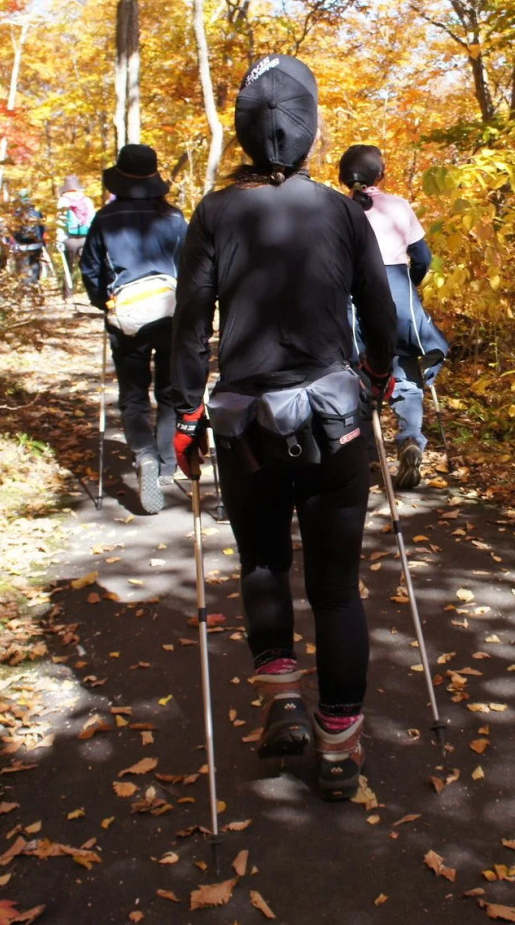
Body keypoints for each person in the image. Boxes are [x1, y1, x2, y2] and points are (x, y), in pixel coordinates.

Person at [169, 54, 397, 801]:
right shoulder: (340, 209)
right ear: (310, 127)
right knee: (336, 590)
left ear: (243, 129)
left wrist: (184, 412)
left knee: (264, 564)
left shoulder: (213, 212)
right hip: (336, 423)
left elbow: (191, 322)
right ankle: (339, 751)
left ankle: (284, 705)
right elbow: (381, 311)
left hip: (247, 428)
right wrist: (377, 377)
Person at [79, 144, 188, 514]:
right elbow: (192, 266)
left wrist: (103, 303)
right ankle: (167, 464)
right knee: (171, 392)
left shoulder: (105, 219)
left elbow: (91, 269)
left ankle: (144, 455)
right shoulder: (174, 218)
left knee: (133, 394)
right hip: (172, 313)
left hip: (127, 316)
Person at [340, 145, 449, 490]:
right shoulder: (399, 207)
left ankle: (367, 455)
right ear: (381, 175)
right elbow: (422, 257)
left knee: (358, 377)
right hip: (398, 297)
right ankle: (410, 440)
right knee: (406, 372)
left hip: (354, 299)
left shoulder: (339, 210)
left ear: (343, 178)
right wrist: (409, 285)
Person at [57, 174, 96, 290]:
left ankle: (68, 294)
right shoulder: (87, 200)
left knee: (68, 268)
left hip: (69, 239)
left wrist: (59, 238)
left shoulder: (63, 201)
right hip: (85, 238)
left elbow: (61, 221)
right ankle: (91, 291)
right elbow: (93, 219)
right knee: (88, 267)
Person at [10, 196, 46, 285]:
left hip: (21, 244)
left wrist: (15, 240)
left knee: (23, 263)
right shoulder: (36, 211)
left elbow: (13, 229)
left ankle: (25, 284)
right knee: (35, 262)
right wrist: (41, 240)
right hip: (36, 242)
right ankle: (35, 282)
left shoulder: (17, 213)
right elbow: (42, 227)